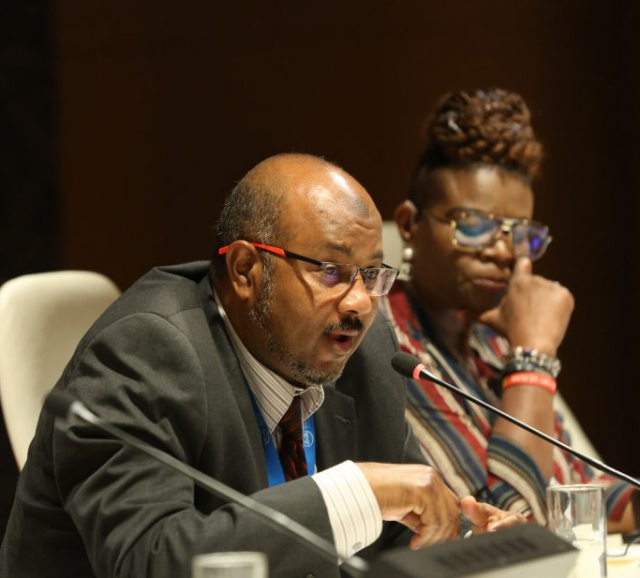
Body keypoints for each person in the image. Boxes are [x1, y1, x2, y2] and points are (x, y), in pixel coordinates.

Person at [0, 153, 523, 578]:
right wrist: (357, 492)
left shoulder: (366, 351)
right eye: (332, 271)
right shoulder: (145, 352)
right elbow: (154, 560)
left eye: (371, 275)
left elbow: (387, 535)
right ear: (246, 268)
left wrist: (461, 541)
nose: (360, 303)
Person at [381, 88, 637, 531]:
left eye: (519, 234)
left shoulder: (491, 343)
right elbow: (511, 521)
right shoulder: (385, 343)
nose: (502, 252)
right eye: (473, 226)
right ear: (409, 224)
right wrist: (535, 356)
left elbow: (575, 487)